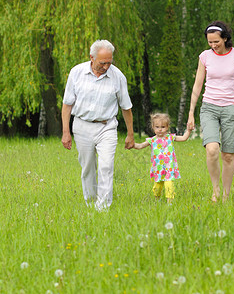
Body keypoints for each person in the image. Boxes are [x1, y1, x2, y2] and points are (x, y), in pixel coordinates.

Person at [61, 39, 135, 211]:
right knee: (88, 167)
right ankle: (90, 202)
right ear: (91, 58)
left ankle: (102, 208)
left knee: (107, 166)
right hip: (82, 126)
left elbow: (126, 107)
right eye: (103, 63)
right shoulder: (77, 73)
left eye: (110, 62)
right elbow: (67, 104)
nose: (107, 66)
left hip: (106, 126)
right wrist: (66, 132)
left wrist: (130, 134)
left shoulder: (118, 76)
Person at [187, 21, 234, 202]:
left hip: (231, 109)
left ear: (225, 38)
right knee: (212, 150)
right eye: (210, 42)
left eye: (216, 41)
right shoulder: (205, 57)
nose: (213, 45)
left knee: (228, 156)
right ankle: (215, 190)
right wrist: (191, 112)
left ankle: (225, 195)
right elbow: (197, 85)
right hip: (209, 107)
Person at [134, 113, 191, 204]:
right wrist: (132, 144)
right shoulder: (152, 140)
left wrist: (189, 130)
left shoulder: (170, 137)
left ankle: (170, 203)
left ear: (167, 127)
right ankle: (157, 200)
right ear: (153, 127)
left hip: (169, 168)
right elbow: (140, 146)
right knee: (157, 187)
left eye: (163, 127)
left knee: (169, 185)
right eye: (157, 127)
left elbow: (184, 138)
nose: (160, 129)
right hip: (158, 169)